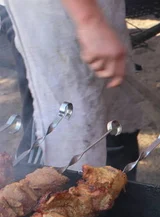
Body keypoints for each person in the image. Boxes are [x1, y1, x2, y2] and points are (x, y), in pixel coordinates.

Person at [0, 0, 143, 177]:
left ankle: (118, 196)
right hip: (51, 19)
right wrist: (89, 20)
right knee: (59, 137)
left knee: (115, 130)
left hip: (100, 18)